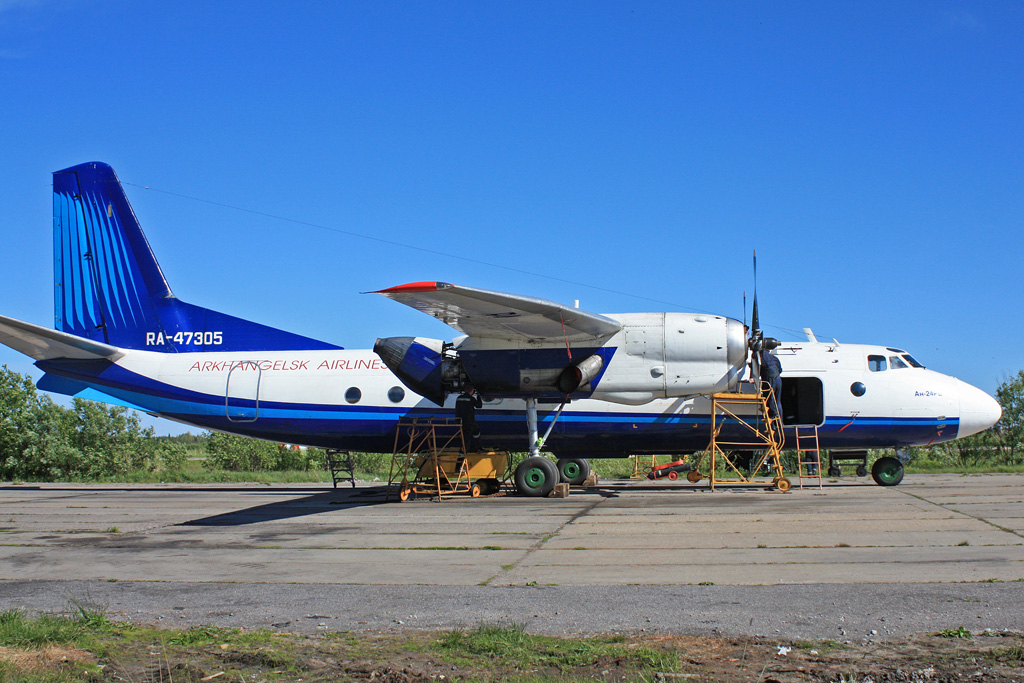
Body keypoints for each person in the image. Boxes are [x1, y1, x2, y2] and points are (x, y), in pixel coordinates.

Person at [455, 385, 483, 451]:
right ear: (472, 391)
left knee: (470, 433)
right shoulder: (471, 399)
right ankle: (465, 452)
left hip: (460, 421)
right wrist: (478, 396)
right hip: (469, 422)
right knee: (469, 436)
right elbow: (479, 405)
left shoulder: (459, 398)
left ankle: (473, 448)